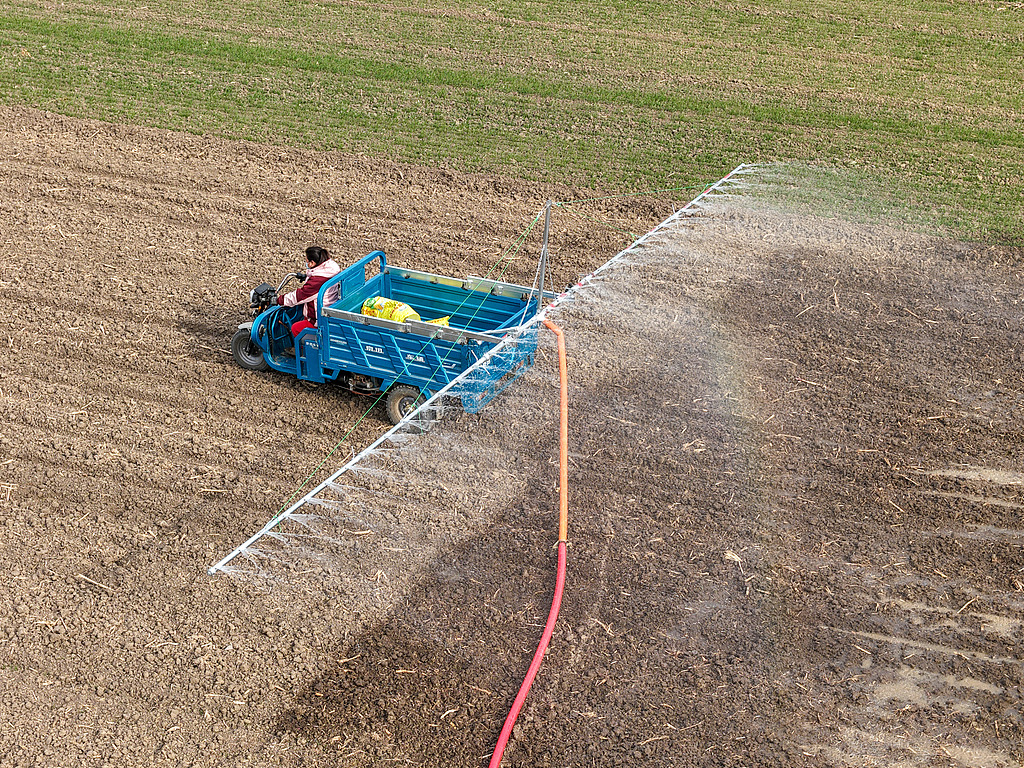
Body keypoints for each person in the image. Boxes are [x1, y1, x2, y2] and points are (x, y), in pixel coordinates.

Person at [276, 246, 341, 338]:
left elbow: (300, 296)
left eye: (307, 261)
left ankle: (302, 350)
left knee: (295, 328)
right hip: (329, 307)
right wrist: (306, 277)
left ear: (312, 263)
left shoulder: (318, 280)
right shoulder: (329, 269)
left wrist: (279, 300)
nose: (306, 264)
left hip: (319, 319)